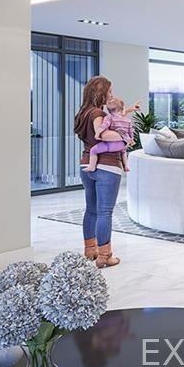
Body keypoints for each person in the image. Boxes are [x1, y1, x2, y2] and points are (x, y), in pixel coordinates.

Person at [74, 76, 123, 268]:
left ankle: (90, 250)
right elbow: (102, 135)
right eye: (109, 91)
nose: (111, 95)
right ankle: (105, 256)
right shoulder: (98, 114)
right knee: (105, 212)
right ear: (100, 93)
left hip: (86, 165)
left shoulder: (82, 113)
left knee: (91, 210)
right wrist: (123, 136)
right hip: (107, 166)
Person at [85, 97, 140, 172]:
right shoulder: (128, 121)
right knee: (123, 152)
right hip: (122, 145)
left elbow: (104, 126)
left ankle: (91, 166)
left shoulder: (109, 117)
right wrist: (131, 139)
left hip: (111, 145)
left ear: (108, 110)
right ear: (122, 108)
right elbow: (131, 131)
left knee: (93, 151)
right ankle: (126, 166)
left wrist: (97, 133)